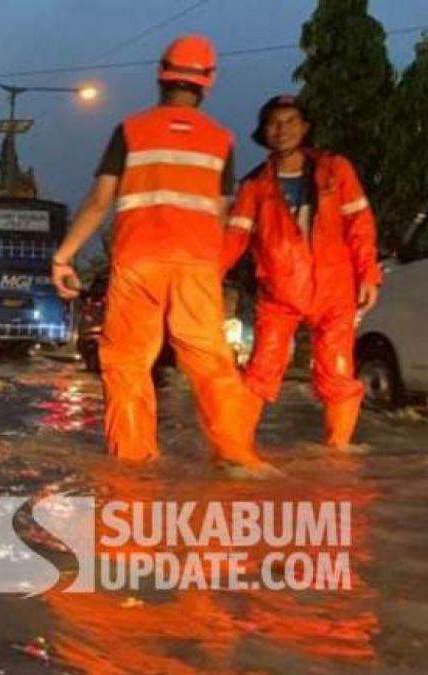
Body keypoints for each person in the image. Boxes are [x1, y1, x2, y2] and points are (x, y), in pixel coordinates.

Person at [52, 34, 267, 469]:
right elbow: (222, 215)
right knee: (212, 365)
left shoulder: (131, 130)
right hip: (198, 266)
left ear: (160, 73)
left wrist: (64, 256)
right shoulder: (221, 140)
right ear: (209, 80)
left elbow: (100, 201)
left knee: (129, 364)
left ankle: (132, 466)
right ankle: (239, 458)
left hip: (138, 262)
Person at [221, 94, 381, 450]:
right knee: (260, 371)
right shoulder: (253, 185)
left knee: (338, 373)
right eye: (274, 123)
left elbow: (360, 224)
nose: (282, 130)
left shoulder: (336, 169)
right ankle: (236, 451)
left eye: (291, 121)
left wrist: (369, 274)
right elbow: (235, 237)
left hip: (335, 291)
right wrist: (208, 276)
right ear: (263, 132)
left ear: (305, 127)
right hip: (278, 292)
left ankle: (338, 453)